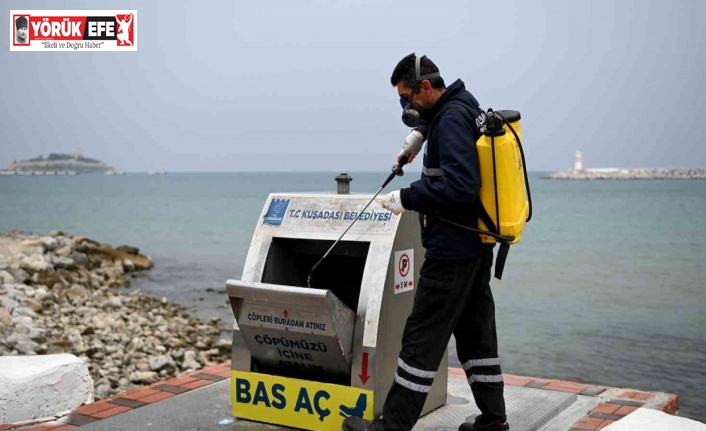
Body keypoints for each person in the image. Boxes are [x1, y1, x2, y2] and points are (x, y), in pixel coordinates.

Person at [342, 54, 509, 431]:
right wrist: (418, 138)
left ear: (426, 88)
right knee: (476, 336)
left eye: (407, 98)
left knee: (421, 340)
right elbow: (451, 128)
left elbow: (460, 186)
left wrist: (406, 198)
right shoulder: (462, 105)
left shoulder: (449, 120)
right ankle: (494, 422)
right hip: (477, 246)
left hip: (451, 251)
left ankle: (392, 426)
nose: (405, 107)